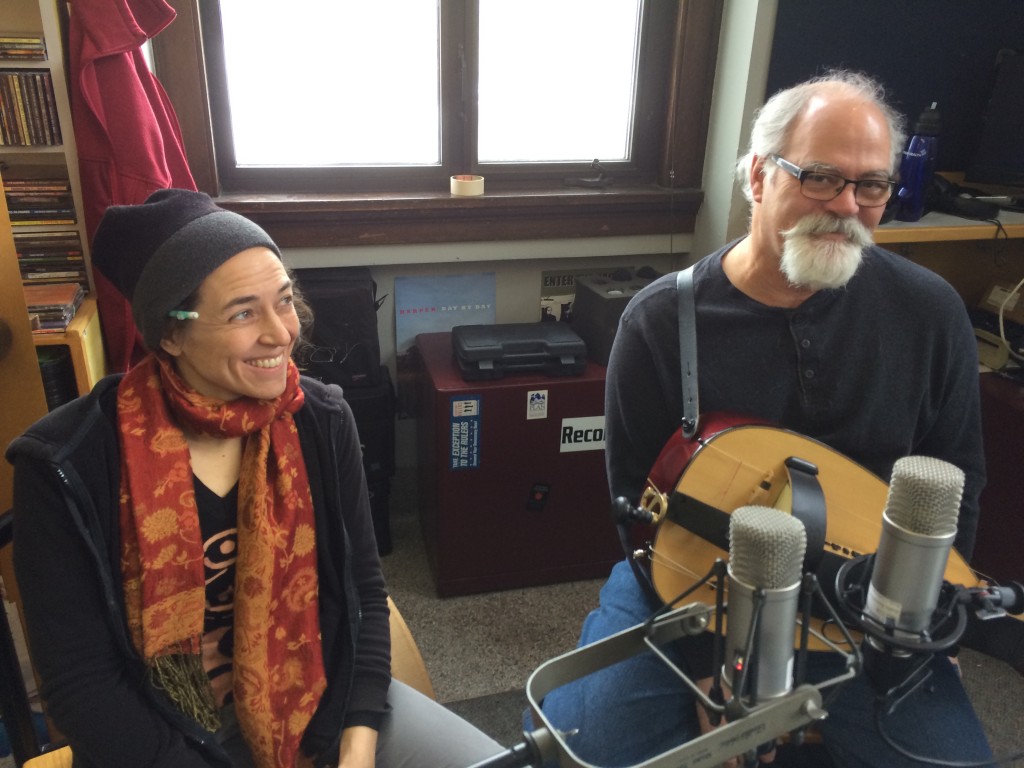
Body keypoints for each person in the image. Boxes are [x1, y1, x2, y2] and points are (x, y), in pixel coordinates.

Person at [538, 71, 995, 767]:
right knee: (580, 747)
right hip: (688, 583)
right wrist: (701, 663)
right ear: (757, 176)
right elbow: (634, 510)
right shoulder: (660, 322)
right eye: (820, 177)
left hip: (863, 605)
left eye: (871, 185)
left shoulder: (931, 314)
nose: (847, 205)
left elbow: (957, 482)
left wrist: (926, 625)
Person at [6, 189, 503, 768]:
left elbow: (364, 595)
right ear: (170, 333)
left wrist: (359, 745)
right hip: (162, 744)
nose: (280, 333)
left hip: (321, 705)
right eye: (243, 312)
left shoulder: (318, 420)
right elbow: (81, 686)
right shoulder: (66, 466)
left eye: (284, 301)